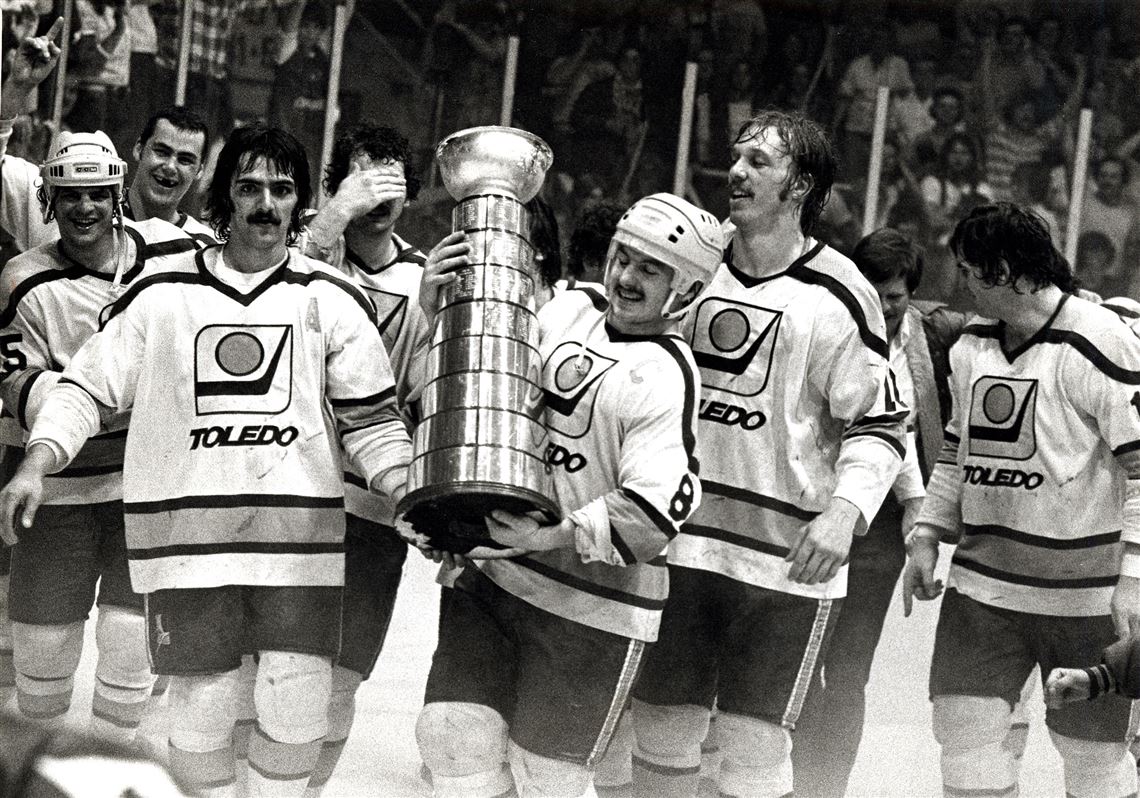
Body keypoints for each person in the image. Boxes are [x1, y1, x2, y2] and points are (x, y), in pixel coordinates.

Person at [0, 125, 413, 797]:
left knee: (295, 701)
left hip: (300, 547)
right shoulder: (161, 293)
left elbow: (372, 422)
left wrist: (404, 488)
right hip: (188, 547)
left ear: (299, 203)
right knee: (200, 717)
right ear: (224, 198)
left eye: (282, 190)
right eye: (249, 188)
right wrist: (37, 462)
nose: (265, 205)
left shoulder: (332, 298)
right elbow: (86, 390)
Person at [628, 109, 906, 798]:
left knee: (754, 746)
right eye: (736, 157)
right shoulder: (689, 262)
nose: (736, 172)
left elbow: (880, 422)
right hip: (679, 543)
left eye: (758, 161)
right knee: (660, 728)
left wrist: (845, 513)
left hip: (784, 560)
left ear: (800, 185)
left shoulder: (843, 292)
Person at [413, 192, 721, 798]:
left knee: (548, 780)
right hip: (497, 577)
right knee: (452, 739)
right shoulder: (569, 309)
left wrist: (550, 535)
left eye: (649, 269)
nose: (625, 277)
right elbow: (488, 387)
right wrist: (436, 310)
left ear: (684, 289)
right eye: (622, 258)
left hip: (592, 608)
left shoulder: (667, 373)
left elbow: (657, 508)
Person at [902, 202, 1140, 798]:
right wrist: (928, 532)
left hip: (1087, 599)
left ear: (1004, 270)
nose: (959, 282)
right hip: (982, 589)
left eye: (967, 269)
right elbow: (956, 446)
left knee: (1093, 759)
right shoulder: (970, 345)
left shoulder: (1101, 341)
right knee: (962, 740)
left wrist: (1134, 577)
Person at [0, 129, 200, 746]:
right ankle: (42, 773)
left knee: (129, 639)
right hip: (61, 490)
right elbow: (16, 384)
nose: (84, 207)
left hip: (146, 490)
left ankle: (109, 775)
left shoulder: (176, 250)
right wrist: (98, 398)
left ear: (118, 195)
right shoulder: (24, 279)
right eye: (69, 195)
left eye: (97, 194)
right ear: (49, 200)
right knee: (44, 649)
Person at [792, 228, 967, 798]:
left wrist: (918, 520)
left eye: (894, 297)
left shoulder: (934, 334)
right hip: (817, 513)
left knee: (848, 672)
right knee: (799, 662)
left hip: (883, 528)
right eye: (872, 293)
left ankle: (827, 790)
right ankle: (792, 781)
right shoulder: (824, 324)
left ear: (910, 296)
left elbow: (899, 434)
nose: (883, 307)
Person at [295, 123, 428, 795]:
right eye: (362, 177)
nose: (378, 193)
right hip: (294, 492)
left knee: (341, 682)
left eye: (390, 178)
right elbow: (276, 287)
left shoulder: (425, 278)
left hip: (374, 511)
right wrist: (333, 213)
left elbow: (426, 394)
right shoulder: (306, 249)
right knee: (273, 672)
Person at [1, 20, 216, 250]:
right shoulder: (67, 203)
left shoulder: (204, 247)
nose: (170, 166)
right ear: (138, 149)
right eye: (162, 152)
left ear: (200, 171)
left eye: (185, 159)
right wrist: (17, 87)